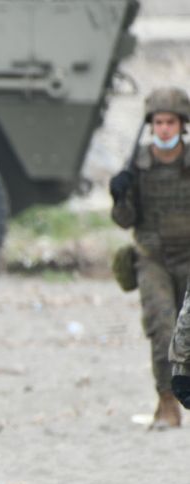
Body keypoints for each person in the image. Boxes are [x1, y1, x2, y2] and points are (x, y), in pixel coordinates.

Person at [112, 87, 190, 430]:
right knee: (162, 330)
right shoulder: (137, 167)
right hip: (152, 259)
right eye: (158, 122)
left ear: (181, 125)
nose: (164, 129)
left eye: (170, 122)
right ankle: (167, 403)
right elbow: (125, 221)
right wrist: (120, 196)